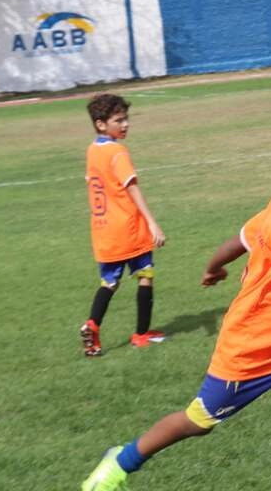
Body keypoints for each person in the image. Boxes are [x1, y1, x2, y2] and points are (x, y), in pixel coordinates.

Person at [82, 136, 271, 491]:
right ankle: (119, 462)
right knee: (198, 421)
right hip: (251, 347)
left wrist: (213, 266)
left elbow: (241, 240)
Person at [81, 93, 167, 358]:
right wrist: (153, 224)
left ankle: (92, 326)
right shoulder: (118, 152)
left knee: (110, 282)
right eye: (119, 120)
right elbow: (132, 188)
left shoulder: (93, 150)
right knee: (145, 275)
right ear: (101, 124)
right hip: (129, 228)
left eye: (126, 119)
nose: (126, 124)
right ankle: (141, 334)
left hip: (103, 230)